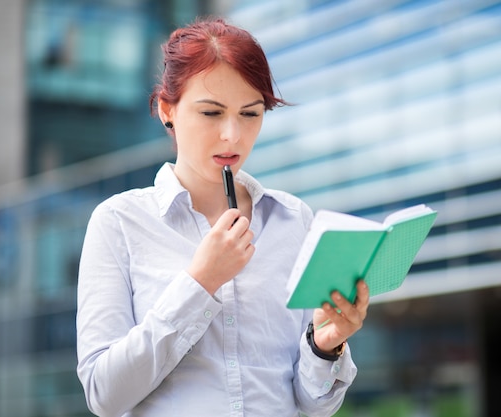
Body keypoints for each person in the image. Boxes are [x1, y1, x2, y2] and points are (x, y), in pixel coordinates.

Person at [76, 16, 370, 417]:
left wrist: (324, 345)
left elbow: (312, 405)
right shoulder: (119, 223)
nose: (232, 135)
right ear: (167, 110)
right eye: (212, 113)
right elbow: (103, 394)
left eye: (250, 114)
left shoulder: (292, 219)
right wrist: (201, 282)